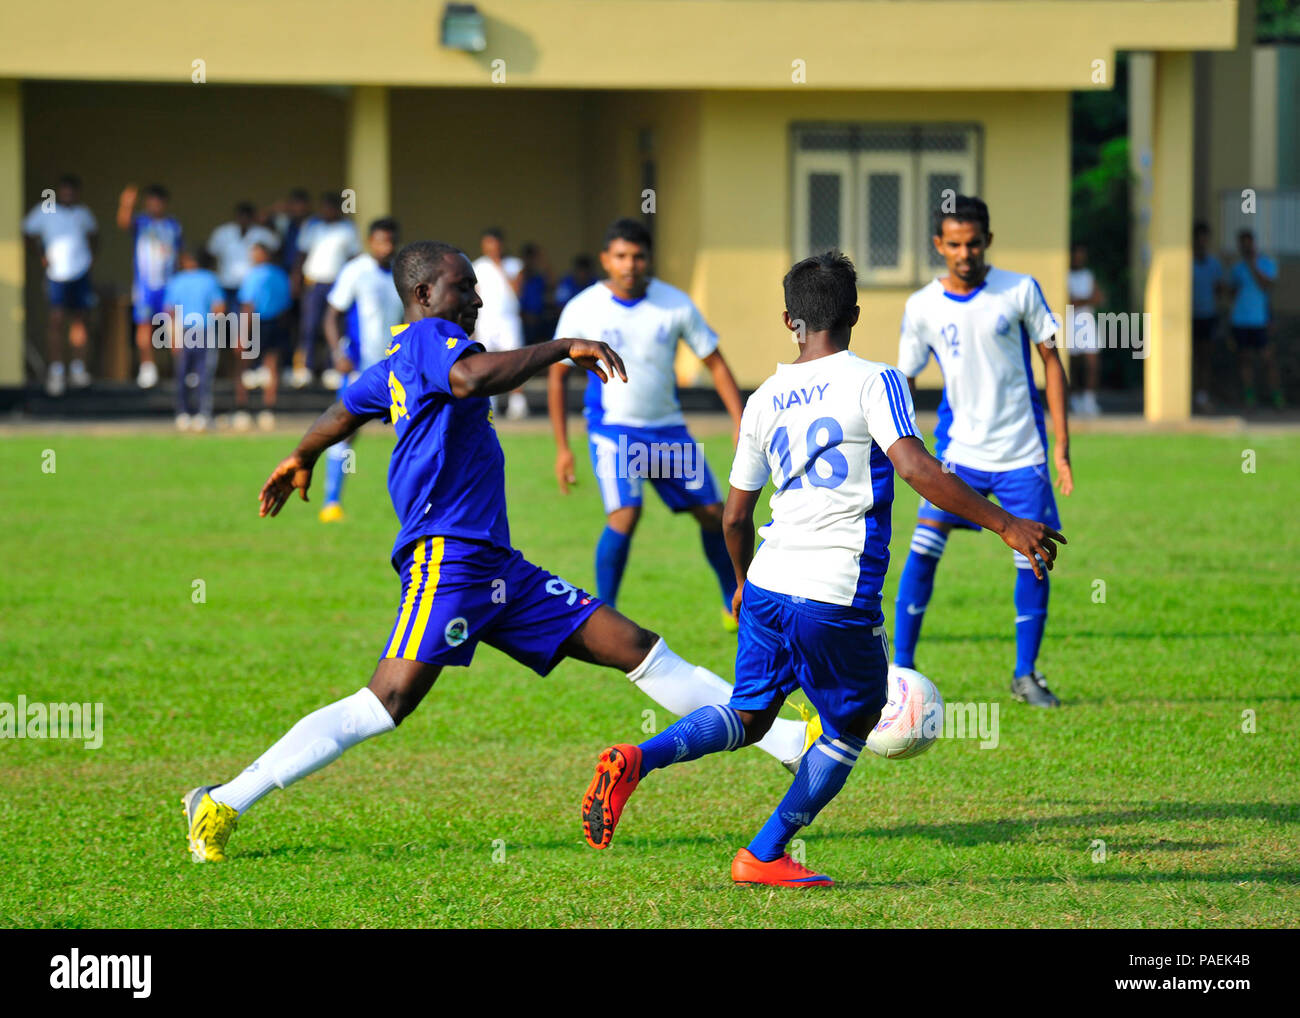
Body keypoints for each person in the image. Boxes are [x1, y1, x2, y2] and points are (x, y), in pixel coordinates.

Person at [180, 240, 816, 863]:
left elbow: (346, 407)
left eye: (476, 286)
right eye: (464, 287)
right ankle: (222, 801)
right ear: (424, 295)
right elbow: (471, 377)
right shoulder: (433, 341)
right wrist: (564, 347)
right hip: (448, 561)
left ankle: (786, 738)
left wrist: (303, 453)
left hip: (495, 568)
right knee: (386, 702)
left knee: (638, 648)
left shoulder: (402, 357)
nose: (478, 298)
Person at [579, 251, 1066, 887]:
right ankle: (763, 853)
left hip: (770, 583)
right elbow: (917, 468)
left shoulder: (763, 399)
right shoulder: (875, 380)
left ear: (789, 320)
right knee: (851, 723)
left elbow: (733, 517)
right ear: (856, 315)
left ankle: (638, 758)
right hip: (836, 593)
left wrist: (742, 585)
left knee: (751, 714)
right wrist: (1007, 524)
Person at [891, 195, 1073, 708]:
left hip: (1022, 454)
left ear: (987, 241)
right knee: (922, 552)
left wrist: (1062, 445)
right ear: (938, 246)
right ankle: (900, 674)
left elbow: (1050, 361)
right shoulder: (922, 305)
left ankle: (1026, 675)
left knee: (1034, 557)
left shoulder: (1019, 290)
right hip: (958, 457)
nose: (964, 253)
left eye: (973, 243)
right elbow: (903, 379)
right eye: (954, 245)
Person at [548, 218, 746, 632]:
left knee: (715, 514)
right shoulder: (583, 307)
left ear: (649, 259)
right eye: (621, 256)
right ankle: (604, 615)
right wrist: (563, 448)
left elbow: (715, 361)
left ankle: (734, 603)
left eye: (638, 256)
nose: (630, 265)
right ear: (606, 259)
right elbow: (558, 374)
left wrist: (740, 421)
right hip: (613, 430)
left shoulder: (674, 303)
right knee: (626, 514)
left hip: (668, 430)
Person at [318, 217, 404, 521]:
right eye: (381, 241)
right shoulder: (356, 271)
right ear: (370, 242)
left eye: (391, 241)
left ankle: (422, 506)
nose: (386, 247)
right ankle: (331, 501)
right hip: (359, 369)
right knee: (345, 431)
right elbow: (332, 315)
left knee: (411, 431)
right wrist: (337, 352)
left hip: (395, 369)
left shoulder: (399, 274)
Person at [23, 174, 99, 396]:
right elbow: (28, 232)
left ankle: (78, 369)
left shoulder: (83, 213)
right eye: (64, 190)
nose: (68, 194)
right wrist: (41, 256)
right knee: (55, 320)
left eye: (72, 191)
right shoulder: (46, 209)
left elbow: (94, 236)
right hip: (56, 274)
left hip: (81, 274)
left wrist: (91, 258)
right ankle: (56, 370)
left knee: (80, 320)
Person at [116, 183, 183, 389]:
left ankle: (181, 368)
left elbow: (180, 255)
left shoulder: (173, 225)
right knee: (145, 326)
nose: (154, 206)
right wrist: (126, 204)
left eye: (158, 202)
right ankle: (148, 368)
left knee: (174, 327)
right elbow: (124, 223)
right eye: (150, 202)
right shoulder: (142, 222)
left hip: (169, 285)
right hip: (145, 285)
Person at [294, 192, 360, 387]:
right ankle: (306, 367)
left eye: (331, 208)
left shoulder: (348, 229)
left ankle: (332, 367)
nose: (327, 211)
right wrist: (295, 279)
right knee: (310, 325)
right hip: (314, 283)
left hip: (337, 283)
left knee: (335, 326)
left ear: (338, 209)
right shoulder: (312, 226)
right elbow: (301, 254)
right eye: (325, 207)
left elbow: (352, 258)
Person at [162, 248, 225, 430]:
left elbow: (170, 312)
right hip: (204, 329)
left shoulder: (176, 281)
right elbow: (219, 308)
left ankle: (183, 413)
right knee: (203, 374)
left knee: (183, 373)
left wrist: (172, 337)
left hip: (183, 330)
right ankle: (202, 414)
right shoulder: (210, 279)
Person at [232, 241, 292, 431]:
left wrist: (242, 333)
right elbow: (286, 306)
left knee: (243, 365)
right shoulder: (281, 275)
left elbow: (247, 305)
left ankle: (242, 409)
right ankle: (268, 411)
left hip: (256, 322)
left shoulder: (254, 275)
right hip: (275, 323)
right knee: (271, 365)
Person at [471, 227, 528, 419]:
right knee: (486, 361)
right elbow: (475, 294)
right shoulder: (477, 266)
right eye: (488, 244)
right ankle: (489, 404)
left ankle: (517, 404)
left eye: (495, 243)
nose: (492, 247)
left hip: (509, 320)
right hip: (486, 321)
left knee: (514, 361)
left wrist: (499, 266)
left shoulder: (514, 265)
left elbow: (517, 291)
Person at [1227, 229, 1282, 410]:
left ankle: (1276, 396)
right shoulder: (1236, 268)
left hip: (1260, 322)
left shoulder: (1266, 264)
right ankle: (1249, 396)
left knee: (1268, 360)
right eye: (1242, 244)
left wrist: (1253, 265)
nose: (1246, 247)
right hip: (1240, 322)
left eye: (1248, 243)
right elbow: (1232, 294)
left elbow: (1266, 287)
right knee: (1245, 360)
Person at [207, 202, 279, 312]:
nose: (244, 219)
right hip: (226, 283)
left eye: (248, 216)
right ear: (236, 216)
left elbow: (276, 249)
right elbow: (210, 254)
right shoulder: (222, 232)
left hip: (252, 284)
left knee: (249, 319)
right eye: (242, 216)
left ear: (253, 217)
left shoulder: (262, 233)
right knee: (225, 319)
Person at [1066, 242, 1103, 417]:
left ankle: (1089, 400)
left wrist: (1080, 301)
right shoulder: (1064, 275)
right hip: (1069, 323)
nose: (1079, 257)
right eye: (1076, 254)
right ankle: (1074, 399)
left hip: (1087, 323)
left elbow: (1099, 297)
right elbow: (1068, 302)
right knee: (1072, 364)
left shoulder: (1089, 275)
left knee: (1092, 362)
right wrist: (1086, 300)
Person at [1191, 222, 1225, 411]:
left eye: (1205, 239)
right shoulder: (1186, 262)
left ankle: (1202, 396)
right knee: (1190, 358)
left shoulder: (1214, 264)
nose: (1202, 243)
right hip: (1189, 317)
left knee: (1205, 358)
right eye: (1199, 239)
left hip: (1207, 316)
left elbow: (1219, 288)